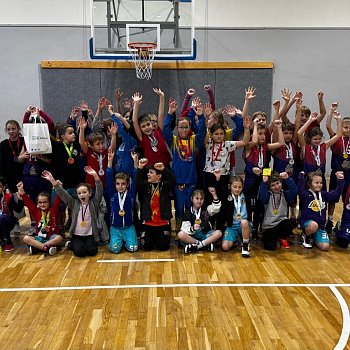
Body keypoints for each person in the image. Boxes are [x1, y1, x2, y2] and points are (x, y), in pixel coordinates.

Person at [42, 167, 108, 257]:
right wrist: (53, 181)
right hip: (77, 235)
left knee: (93, 251)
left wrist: (95, 176)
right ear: (77, 195)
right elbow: (63, 194)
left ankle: (79, 244)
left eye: (84, 192)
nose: (82, 195)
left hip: (89, 235)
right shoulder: (74, 204)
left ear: (90, 193)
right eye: (79, 193)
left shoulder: (94, 204)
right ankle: (70, 243)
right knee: (80, 253)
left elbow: (99, 191)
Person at [163, 99, 207, 226]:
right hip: (178, 181)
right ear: (177, 128)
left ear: (189, 128)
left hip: (191, 180)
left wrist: (202, 116)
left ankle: (190, 226)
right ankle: (178, 227)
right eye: (181, 127)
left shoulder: (193, 141)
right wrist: (170, 114)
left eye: (186, 127)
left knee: (190, 205)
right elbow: (165, 130)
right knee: (179, 205)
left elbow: (202, 132)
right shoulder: (174, 141)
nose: (183, 129)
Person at [298, 170, 344, 251]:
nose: (319, 185)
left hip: (320, 226)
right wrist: (301, 177)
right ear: (309, 184)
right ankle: (306, 235)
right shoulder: (306, 195)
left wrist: (340, 180)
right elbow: (300, 189)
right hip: (308, 223)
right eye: (316, 182)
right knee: (313, 225)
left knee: (325, 247)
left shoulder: (324, 195)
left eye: (321, 183)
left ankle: (314, 236)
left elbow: (336, 195)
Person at [136, 158, 175, 251]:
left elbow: (173, 180)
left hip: (162, 223)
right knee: (147, 247)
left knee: (163, 246)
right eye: (148, 172)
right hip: (149, 224)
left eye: (151, 172)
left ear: (159, 176)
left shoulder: (164, 186)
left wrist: (163, 169)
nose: (148, 174)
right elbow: (137, 182)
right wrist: (140, 168)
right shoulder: (145, 186)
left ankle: (160, 238)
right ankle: (150, 239)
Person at [17, 181, 62, 256]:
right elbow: (28, 202)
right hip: (40, 238)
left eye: (45, 202)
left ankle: (39, 247)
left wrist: (58, 187)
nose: (42, 204)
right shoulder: (36, 211)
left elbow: (58, 199)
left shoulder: (54, 210)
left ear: (49, 202)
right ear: (37, 203)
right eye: (40, 202)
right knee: (25, 238)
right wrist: (21, 190)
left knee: (59, 238)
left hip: (52, 237)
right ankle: (46, 248)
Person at [106, 149, 138, 253]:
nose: (120, 186)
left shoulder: (130, 195)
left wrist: (135, 162)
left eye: (123, 184)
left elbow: (135, 177)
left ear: (127, 184)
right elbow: (108, 178)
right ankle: (118, 240)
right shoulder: (112, 194)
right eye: (118, 184)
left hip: (128, 228)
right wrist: (110, 162)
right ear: (115, 185)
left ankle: (128, 240)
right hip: (115, 228)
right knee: (115, 250)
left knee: (133, 249)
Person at [258, 172, 298, 250]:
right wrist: (264, 183)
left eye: (278, 183)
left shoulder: (285, 194)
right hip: (270, 226)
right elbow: (261, 196)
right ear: (269, 187)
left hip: (281, 222)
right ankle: (272, 237)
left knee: (292, 222)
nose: (276, 187)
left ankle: (281, 237)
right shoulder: (267, 195)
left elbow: (294, 191)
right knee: (270, 247)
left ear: (281, 182)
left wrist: (287, 179)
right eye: (273, 185)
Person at [132, 90, 172, 167]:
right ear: (140, 129)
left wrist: (162, 96)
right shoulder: (142, 137)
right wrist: (136, 104)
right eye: (143, 126)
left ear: (152, 124)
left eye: (148, 124)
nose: (146, 128)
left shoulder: (158, 131)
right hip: (151, 169)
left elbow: (161, 114)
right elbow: (134, 122)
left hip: (165, 166)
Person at [178, 187, 222, 254]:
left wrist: (214, 194)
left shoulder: (207, 209)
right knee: (180, 234)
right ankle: (204, 245)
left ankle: (197, 246)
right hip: (193, 237)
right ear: (191, 199)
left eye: (201, 199)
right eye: (197, 198)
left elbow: (216, 208)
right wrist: (192, 228)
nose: (199, 201)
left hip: (206, 235)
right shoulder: (188, 213)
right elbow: (184, 228)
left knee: (218, 233)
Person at [79, 116, 117, 188]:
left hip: (105, 184)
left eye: (102, 143)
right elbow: (81, 143)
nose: (101, 146)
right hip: (91, 185)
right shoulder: (89, 152)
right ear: (91, 145)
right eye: (98, 144)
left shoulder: (106, 152)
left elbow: (113, 147)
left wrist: (113, 135)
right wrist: (81, 129)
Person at [222, 176, 251, 257]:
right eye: (234, 187)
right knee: (225, 247)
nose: (237, 189)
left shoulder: (245, 195)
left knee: (244, 222)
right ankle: (237, 240)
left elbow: (254, 185)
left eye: (240, 187)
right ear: (230, 186)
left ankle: (245, 246)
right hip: (232, 226)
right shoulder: (227, 197)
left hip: (244, 226)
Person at [0, 120, 25, 194]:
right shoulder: (3, 144)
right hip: (9, 180)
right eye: (8, 129)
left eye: (13, 129)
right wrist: (5, 183)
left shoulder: (24, 141)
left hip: (24, 179)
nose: (11, 131)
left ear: (18, 129)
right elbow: (2, 165)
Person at [0, 176, 24, 252]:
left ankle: (8, 242)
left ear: (3, 188)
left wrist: (20, 200)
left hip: (8, 220)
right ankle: (2, 240)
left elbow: (18, 210)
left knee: (2, 218)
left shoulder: (9, 197)